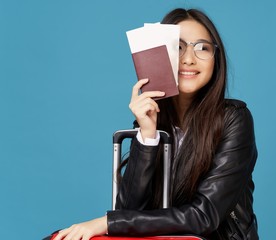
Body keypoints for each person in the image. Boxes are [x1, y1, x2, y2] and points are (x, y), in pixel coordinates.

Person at [53, 8, 258, 240]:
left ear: (216, 59)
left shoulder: (234, 119)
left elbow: (204, 216)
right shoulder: (154, 121)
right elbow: (129, 213)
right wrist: (147, 137)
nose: (189, 59)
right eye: (178, 47)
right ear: (159, 55)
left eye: (202, 48)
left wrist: (106, 223)